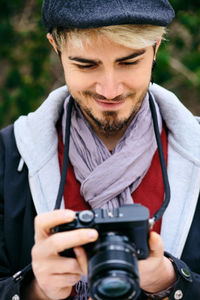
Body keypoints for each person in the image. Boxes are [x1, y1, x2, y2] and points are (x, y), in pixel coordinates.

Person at [0, 0, 200, 299]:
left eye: (129, 62)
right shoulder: (7, 157)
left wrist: (171, 281)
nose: (110, 89)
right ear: (56, 47)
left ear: (156, 47)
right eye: (86, 64)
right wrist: (34, 289)